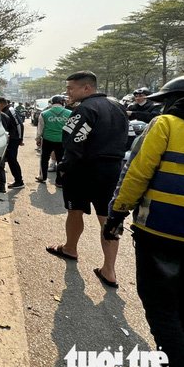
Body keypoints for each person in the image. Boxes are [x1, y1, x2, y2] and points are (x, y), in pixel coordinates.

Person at [104, 75, 184, 367]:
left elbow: (137, 173)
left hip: (162, 232)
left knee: (161, 307)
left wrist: (117, 213)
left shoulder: (166, 124)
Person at [46, 71, 128, 288]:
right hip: (112, 171)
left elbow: (74, 143)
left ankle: (70, 248)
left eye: (71, 88)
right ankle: (109, 270)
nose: (68, 93)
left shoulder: (84, 109)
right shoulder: (119, 107)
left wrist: (64, 169)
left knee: (75, 211)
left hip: (83, 170)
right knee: (108, 218)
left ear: (87, 88)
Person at [35, 95, 71, 186]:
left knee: (44, 159)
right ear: (62, 102)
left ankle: (42, 177)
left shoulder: (44, 113)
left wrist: (38, 139)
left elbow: (40, 128)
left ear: (51, 103)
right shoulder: (70, 113)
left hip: (47, 140)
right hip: (62, 141)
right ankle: (59, 181)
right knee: (61, 161)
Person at [0, 97, 24, 189]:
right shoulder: (7, 110)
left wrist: (20, 139)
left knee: (12, 160)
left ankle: (19, 181)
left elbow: (20, 125)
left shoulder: (10, 110)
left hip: (13, 139)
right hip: (11, 138)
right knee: (9, 159)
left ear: (0, 104)